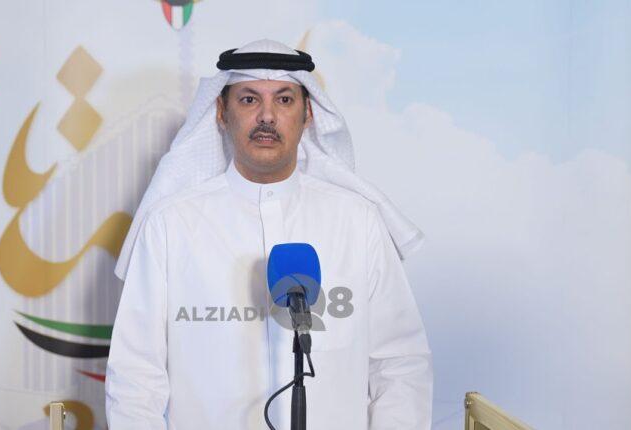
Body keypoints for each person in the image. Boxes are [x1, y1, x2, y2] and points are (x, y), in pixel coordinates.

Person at [106, 39, 432, 429]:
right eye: (248, 100)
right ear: (221, 112)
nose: (267, 116)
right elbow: (135, 378)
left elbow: (399, 364)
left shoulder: (358, 221)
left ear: (308, 114)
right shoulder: (169, 225)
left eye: (284, 100)